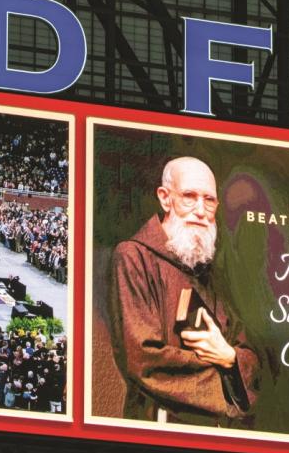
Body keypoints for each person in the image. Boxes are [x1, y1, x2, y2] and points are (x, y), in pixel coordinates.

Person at [108, 156, 259, 425]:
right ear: (166, 199)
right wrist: (222, 370)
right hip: (155, 429)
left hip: (216, 437)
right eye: (189, 196)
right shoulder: (133, 257)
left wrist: (230, 357)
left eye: (209, 200)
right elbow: (142, 358)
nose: (200, 210)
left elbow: (248, 354)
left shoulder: (208, 268)